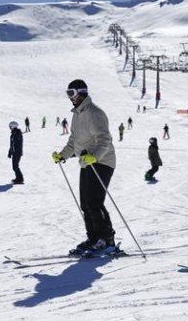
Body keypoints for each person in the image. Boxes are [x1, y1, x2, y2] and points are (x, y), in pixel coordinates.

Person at [52, 79, 117, 256]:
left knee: (95, 202)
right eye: (68, 94)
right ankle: (94, 238)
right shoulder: (77, 114)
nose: (70, 98)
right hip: (87, 163)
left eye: (71, 94)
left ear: (81, 92)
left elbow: (105, 140)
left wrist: (94, 156)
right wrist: (63, 155)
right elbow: (74, 141)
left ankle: (107, 240)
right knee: (86, 204)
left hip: (102, 162)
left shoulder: (95, 113)